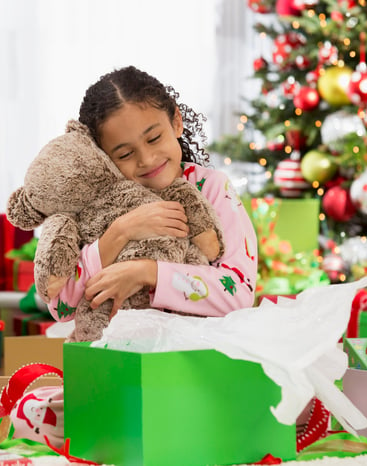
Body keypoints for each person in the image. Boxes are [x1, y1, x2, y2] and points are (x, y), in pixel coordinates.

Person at [44, 65, 258, 327]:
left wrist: (149, 273)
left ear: (176, 122)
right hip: (122, 356)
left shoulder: (211, 189)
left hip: (193, 354)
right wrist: (119, 232)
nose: (146, 159)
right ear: (103, 158)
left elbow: (238, 294)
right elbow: (61, 305)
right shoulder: (96, 207)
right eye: (124, 154)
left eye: (154, 138)